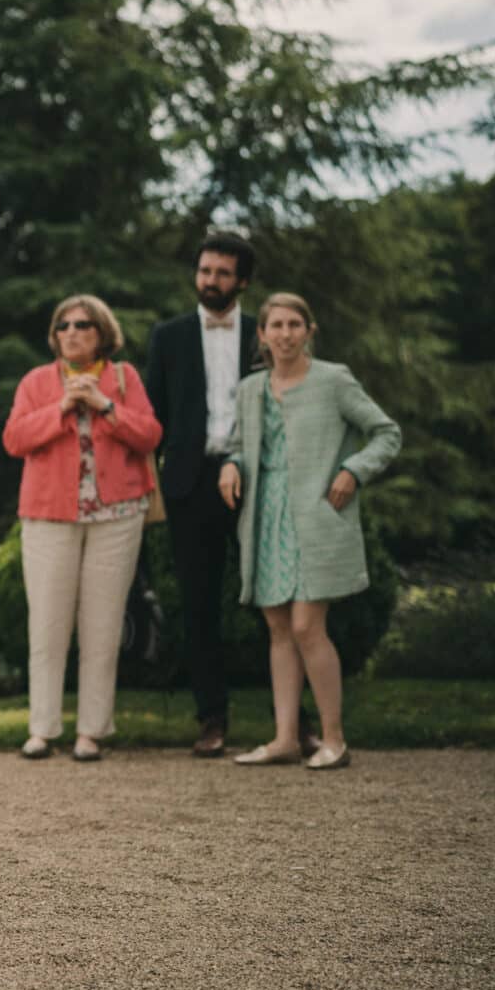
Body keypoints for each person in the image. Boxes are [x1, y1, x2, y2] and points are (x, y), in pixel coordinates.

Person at [144, 233, 316, 758]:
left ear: (242, 280)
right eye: (204, 270)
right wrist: (154, 488)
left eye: (221, 272)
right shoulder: (167, 336)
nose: (210, 280)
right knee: (199, 605)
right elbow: (154, 419)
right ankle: (211, 719)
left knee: (278, 600)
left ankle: (295, 723)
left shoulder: (263, 335)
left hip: (259, 481)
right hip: (191, 486)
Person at [219, 294, 400, 770]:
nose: (284, 333)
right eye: (275, 325)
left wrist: (353, 470)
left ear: (309, 330)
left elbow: (386, 433)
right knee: (279, 629)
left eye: (294, 324)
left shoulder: (333, 380)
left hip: (315, 515)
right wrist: (232, 466)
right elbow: (241, 445)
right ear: (262, 334)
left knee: (305, 626)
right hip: (264, 515)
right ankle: (284, 739)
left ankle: (334, 740)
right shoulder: (251, 388)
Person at [4, 296, 162, 762]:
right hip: (49, 516)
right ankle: (42, 729)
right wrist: (61, 407)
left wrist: (104, 405)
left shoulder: (124, 378)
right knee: (49, 624)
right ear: (55, 336)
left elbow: (150, 435)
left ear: (102, 333)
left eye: (83, 325)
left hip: (117, 516)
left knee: (103, 627)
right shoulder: (37, 381)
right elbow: (14, 438)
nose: (72, 332)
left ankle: (91, 732)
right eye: (63, 326)